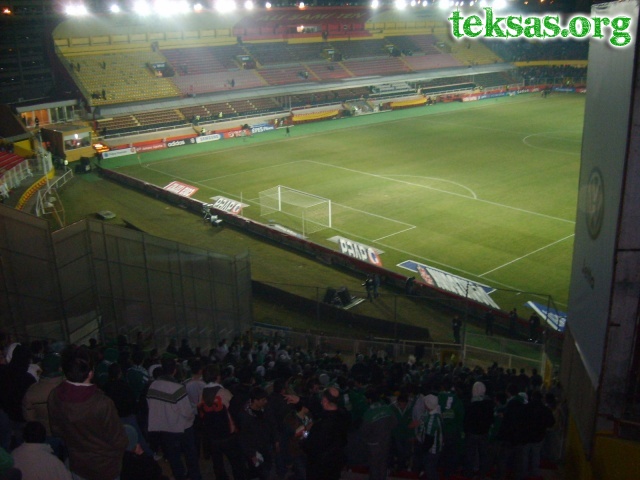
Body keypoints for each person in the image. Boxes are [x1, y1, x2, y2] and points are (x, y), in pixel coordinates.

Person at [48, 347, 128, 480]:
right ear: (91, 373)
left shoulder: (55, 395)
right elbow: (119, 440)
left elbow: (56, 430)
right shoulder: (102, 403)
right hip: (105, 466)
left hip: (77, 463)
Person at [146, 357, 201, 480]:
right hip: (182, 428)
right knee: (190, 455)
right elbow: (186, 411)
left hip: (165, 428)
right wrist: (193, 417)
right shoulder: (177, 388)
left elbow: (151, 405)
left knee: (174, 457)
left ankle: (179, 476)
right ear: (174, 370)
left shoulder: (153, 385)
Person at [197, 364, 246, 480]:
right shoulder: (224, 393)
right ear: (218, 377)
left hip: (212, 436)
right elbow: (235, 412)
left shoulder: (202, 394)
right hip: (228, 435)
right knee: (236, 463)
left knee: (218, 464)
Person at [301, 387, 351, 480]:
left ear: (324, 401)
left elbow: (308, 446)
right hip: (336, 461)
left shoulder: (320, 426)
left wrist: (305, 432)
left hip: (320, 467)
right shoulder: (344, 416)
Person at [238, 386, 276, 480]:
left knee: (268, 466)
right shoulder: (245, 416)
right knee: (261, 471)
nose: (266, 402)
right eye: (263, 400)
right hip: (255, 449)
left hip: (266, 445)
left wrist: (275, 439)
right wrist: (251, 454)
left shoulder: (265, 409)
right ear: (255, 400)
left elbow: (272, 424)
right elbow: (244, 437)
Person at [359, 387, 397, 480]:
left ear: (369, 399)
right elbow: (395, 423)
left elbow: (364, 431)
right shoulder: (387, 409)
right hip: (386, 441)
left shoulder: (369, 413)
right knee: (383, 464)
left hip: (373, 444)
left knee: (374, 466)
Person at [463, 382, 494, 479]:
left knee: (470, 455)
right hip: (484, 432)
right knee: (483, 455)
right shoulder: (488, 404)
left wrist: (466, 430)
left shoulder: (471, 405)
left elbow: (466, 420)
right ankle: (482, 474)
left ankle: (469, 474)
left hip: (472, 433)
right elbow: (490, 419)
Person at [416, 394, 443, 480]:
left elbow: (429, 439)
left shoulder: (432, 419)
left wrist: (422, 450)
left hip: (432, 450)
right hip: (434, 449)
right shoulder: (436, 414)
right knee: (430, 469)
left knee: (430, 470)